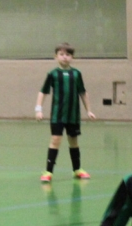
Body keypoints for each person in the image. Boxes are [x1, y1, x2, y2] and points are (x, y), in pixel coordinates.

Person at [35, 42, 96, 183]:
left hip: (73, 115)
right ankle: (48, 171)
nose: (64, 57)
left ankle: (77, 169)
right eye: (61, 54)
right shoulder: (53, 74)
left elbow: (83, 92)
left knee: (73, 141)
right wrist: (38, 109)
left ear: (72, 57)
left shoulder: (76, 74)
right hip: (57, 115)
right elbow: (43, 92)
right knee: (55, 140)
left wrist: (89, 110)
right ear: (56, 56)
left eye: (68, 54)